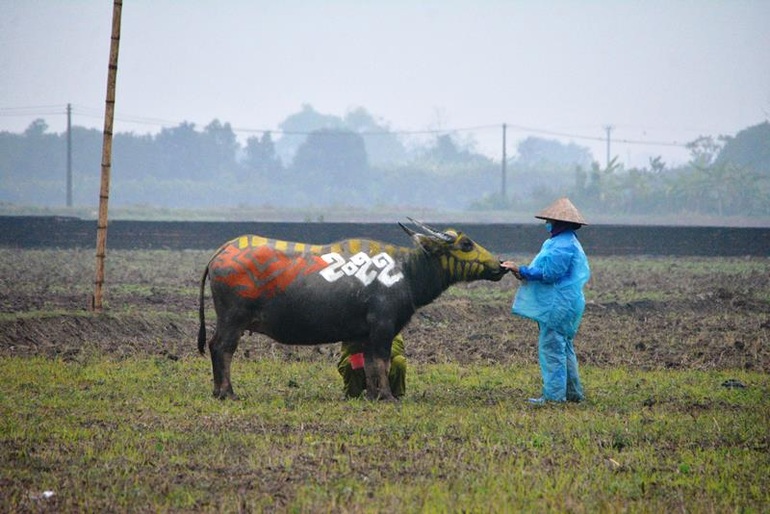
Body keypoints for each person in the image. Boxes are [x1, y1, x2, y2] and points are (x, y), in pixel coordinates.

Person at [502, 197, 591, 404]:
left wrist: (521, 269)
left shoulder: (562, 245)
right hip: (566, 303)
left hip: (559, 304)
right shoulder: (565, 241)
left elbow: (550, 273)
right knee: (564, 347)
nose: (546, 224)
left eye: (549, 221)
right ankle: (573, 394)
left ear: (559, 222)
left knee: (552, 348)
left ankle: (554, 397)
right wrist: (522, 272)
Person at [337, 334, 407, 398]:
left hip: (384, 363)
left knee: (399, 361)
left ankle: (397, 395)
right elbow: (351, 348)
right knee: (351, 363)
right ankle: (352, 395)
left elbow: (397, 345)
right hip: (362, 361)